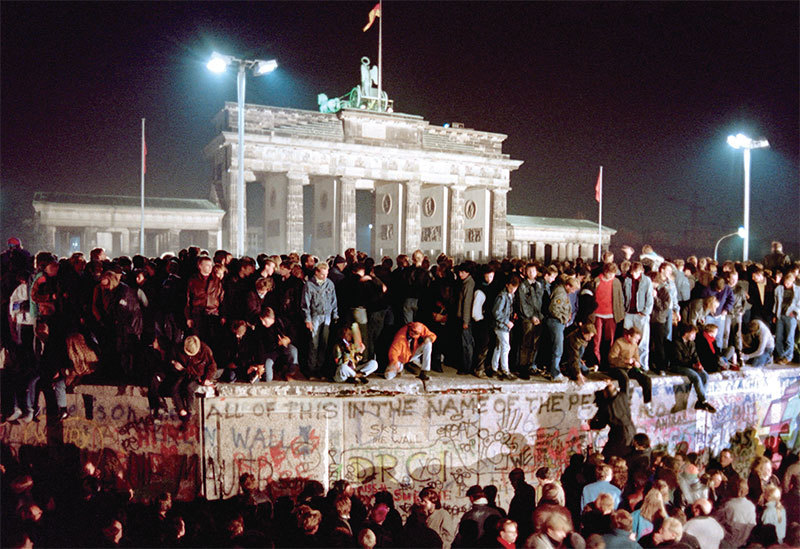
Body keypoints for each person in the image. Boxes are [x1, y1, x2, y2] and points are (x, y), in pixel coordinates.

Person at [668, 323, 717, 413]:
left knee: (705, 376)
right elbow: (678, 360)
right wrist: (692, 365)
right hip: (678, 366)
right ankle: (704, 401)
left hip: (690, 365)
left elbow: (695, 355)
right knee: (696, 377)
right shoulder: (676, 343)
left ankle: (700, 401)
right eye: (693, 333)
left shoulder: (692, 343)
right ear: (686, 333)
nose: (695, 336)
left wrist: (698, 364)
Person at [301, 262, 339, 379]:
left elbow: (333, 301)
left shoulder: (329, 284)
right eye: (322, 274)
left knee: (324, 343)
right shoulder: (309, 285)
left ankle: (320, 368)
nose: (325, 277)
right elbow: (305, 304)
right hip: (315, 316)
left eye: (326, 274)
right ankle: (311, 369)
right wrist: (308, 319)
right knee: (314, 343)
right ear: (316, 272)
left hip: (327, 316)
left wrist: (335, 315)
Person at [606, 327, 653, 414]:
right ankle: (624, 404)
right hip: (617, 368)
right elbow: (611, 359)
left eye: (638, 339)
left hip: (629, 368)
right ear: (629, 336)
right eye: (635, 339)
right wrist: (625, 361)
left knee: (646, 379)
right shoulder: (619, 342)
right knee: (625, 380)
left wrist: (636, 363)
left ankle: (647, 403)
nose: (637, 341)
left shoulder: (635, 345)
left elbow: (637, 359)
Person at [170, 335, 218, 419]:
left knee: (189, 388)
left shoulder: (205, 350)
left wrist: (207, 378)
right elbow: (170, 359)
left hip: (197, 375)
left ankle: (190, 410)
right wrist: (174, 363)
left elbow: (212, 366)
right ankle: (181, 411)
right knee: (175, 387)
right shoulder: (178, 348)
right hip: (183, 373)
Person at [544, 277, 580, 382]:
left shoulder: (563, 292)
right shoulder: (560, 293)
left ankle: (552, 370)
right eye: (573, 289)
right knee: (558, 348)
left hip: (559, 323)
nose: (573, 292)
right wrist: (562, 318)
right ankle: (555, 374)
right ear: (568, 286)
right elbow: (553, 308)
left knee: (556, 348)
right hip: (556, 322)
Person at [591, 262, 625, 370]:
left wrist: (620, 314)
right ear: (605, 272)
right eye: (610, 273)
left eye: (613, 274)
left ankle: (609, 361)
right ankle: (596, 362)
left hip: (611, 314)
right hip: (598, 314)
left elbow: (620, 298)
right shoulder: (596, 281)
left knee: (610, 339)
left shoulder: (616, 282)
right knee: (596, 339)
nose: (612, 276)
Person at [515, 263, 544, 377]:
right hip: (527, 318)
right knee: (526, 342)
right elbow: (523, 304)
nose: (531, 273)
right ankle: (522, 367)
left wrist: (539, 316)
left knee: (535, 343)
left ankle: (530, 364)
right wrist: (531, 316)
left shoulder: (539, 285)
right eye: (529, 271)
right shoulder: (522, 286)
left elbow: (541, 302)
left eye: (533, 271)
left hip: (538, 317)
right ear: (525, 272)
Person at [622, 262, 653, 371]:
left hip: (641, 314)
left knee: (643, 340)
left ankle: (643, 365)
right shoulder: (627, 280)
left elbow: (649, 297)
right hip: (629, 313)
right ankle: (628, 364)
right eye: (632, 272)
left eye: (636, 272)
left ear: (641, 271)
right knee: (627, 338)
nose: (634, 274)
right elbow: (624, 295)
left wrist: (645, 311)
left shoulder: (646, 281)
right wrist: (624, 310)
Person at [491, 275, 521, 381]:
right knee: (506, 347)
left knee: (499, 347)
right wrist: (507, 321)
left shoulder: (510, 295)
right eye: (511, 288)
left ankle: (494, 368)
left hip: (503, 325)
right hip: (501, 326)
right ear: (507, 285)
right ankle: (505, 370)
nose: (513, 290)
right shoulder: (502, 296)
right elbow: (496, 312)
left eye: (515, 288)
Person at [772, 272, 800, 364]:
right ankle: (781, 355)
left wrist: (795, 312)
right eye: (785, 282)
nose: (786, 285)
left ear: (792, 281)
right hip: (780, 315)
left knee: (789, 338)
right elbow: (776, 303)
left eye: (788, 283)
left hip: (791, 316)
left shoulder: (798, 290)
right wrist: (775, 315)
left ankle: (788, 357)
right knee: (778, 336)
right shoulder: (779, 289)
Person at [455, 263, 476, 376]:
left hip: (465, 319)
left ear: (468, 273)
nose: (460, 274)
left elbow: (467, 303)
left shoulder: (468, 284)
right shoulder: (465, 282)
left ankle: (466, 367)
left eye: (462, 272)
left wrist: (465, 321)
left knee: (466, 343)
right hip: (464, 317)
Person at [508, 468, 536, 542]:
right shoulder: (529, 489)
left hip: (522, 527)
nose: (511, 484)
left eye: (512, 481)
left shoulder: (523, 492)